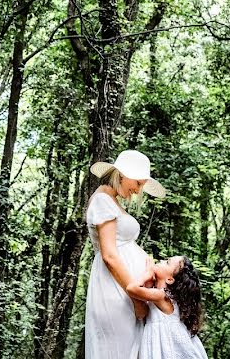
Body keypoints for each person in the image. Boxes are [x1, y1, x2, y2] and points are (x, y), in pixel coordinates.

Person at [84, 150, 167, 359]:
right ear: (122, 174)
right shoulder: (103, 201)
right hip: (116, 292)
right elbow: (110, 256)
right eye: (138, 183)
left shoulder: (111, 200)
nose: (138, 191)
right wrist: (137, 299)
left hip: (121, 292)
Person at [126, 256, 208, 359]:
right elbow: (140, 314)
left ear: (170, 279)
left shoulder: (162, 295)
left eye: (167, 262)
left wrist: (147, 274)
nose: (162, 261)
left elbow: (131, 288)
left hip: (167, 346)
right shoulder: (164, 296)